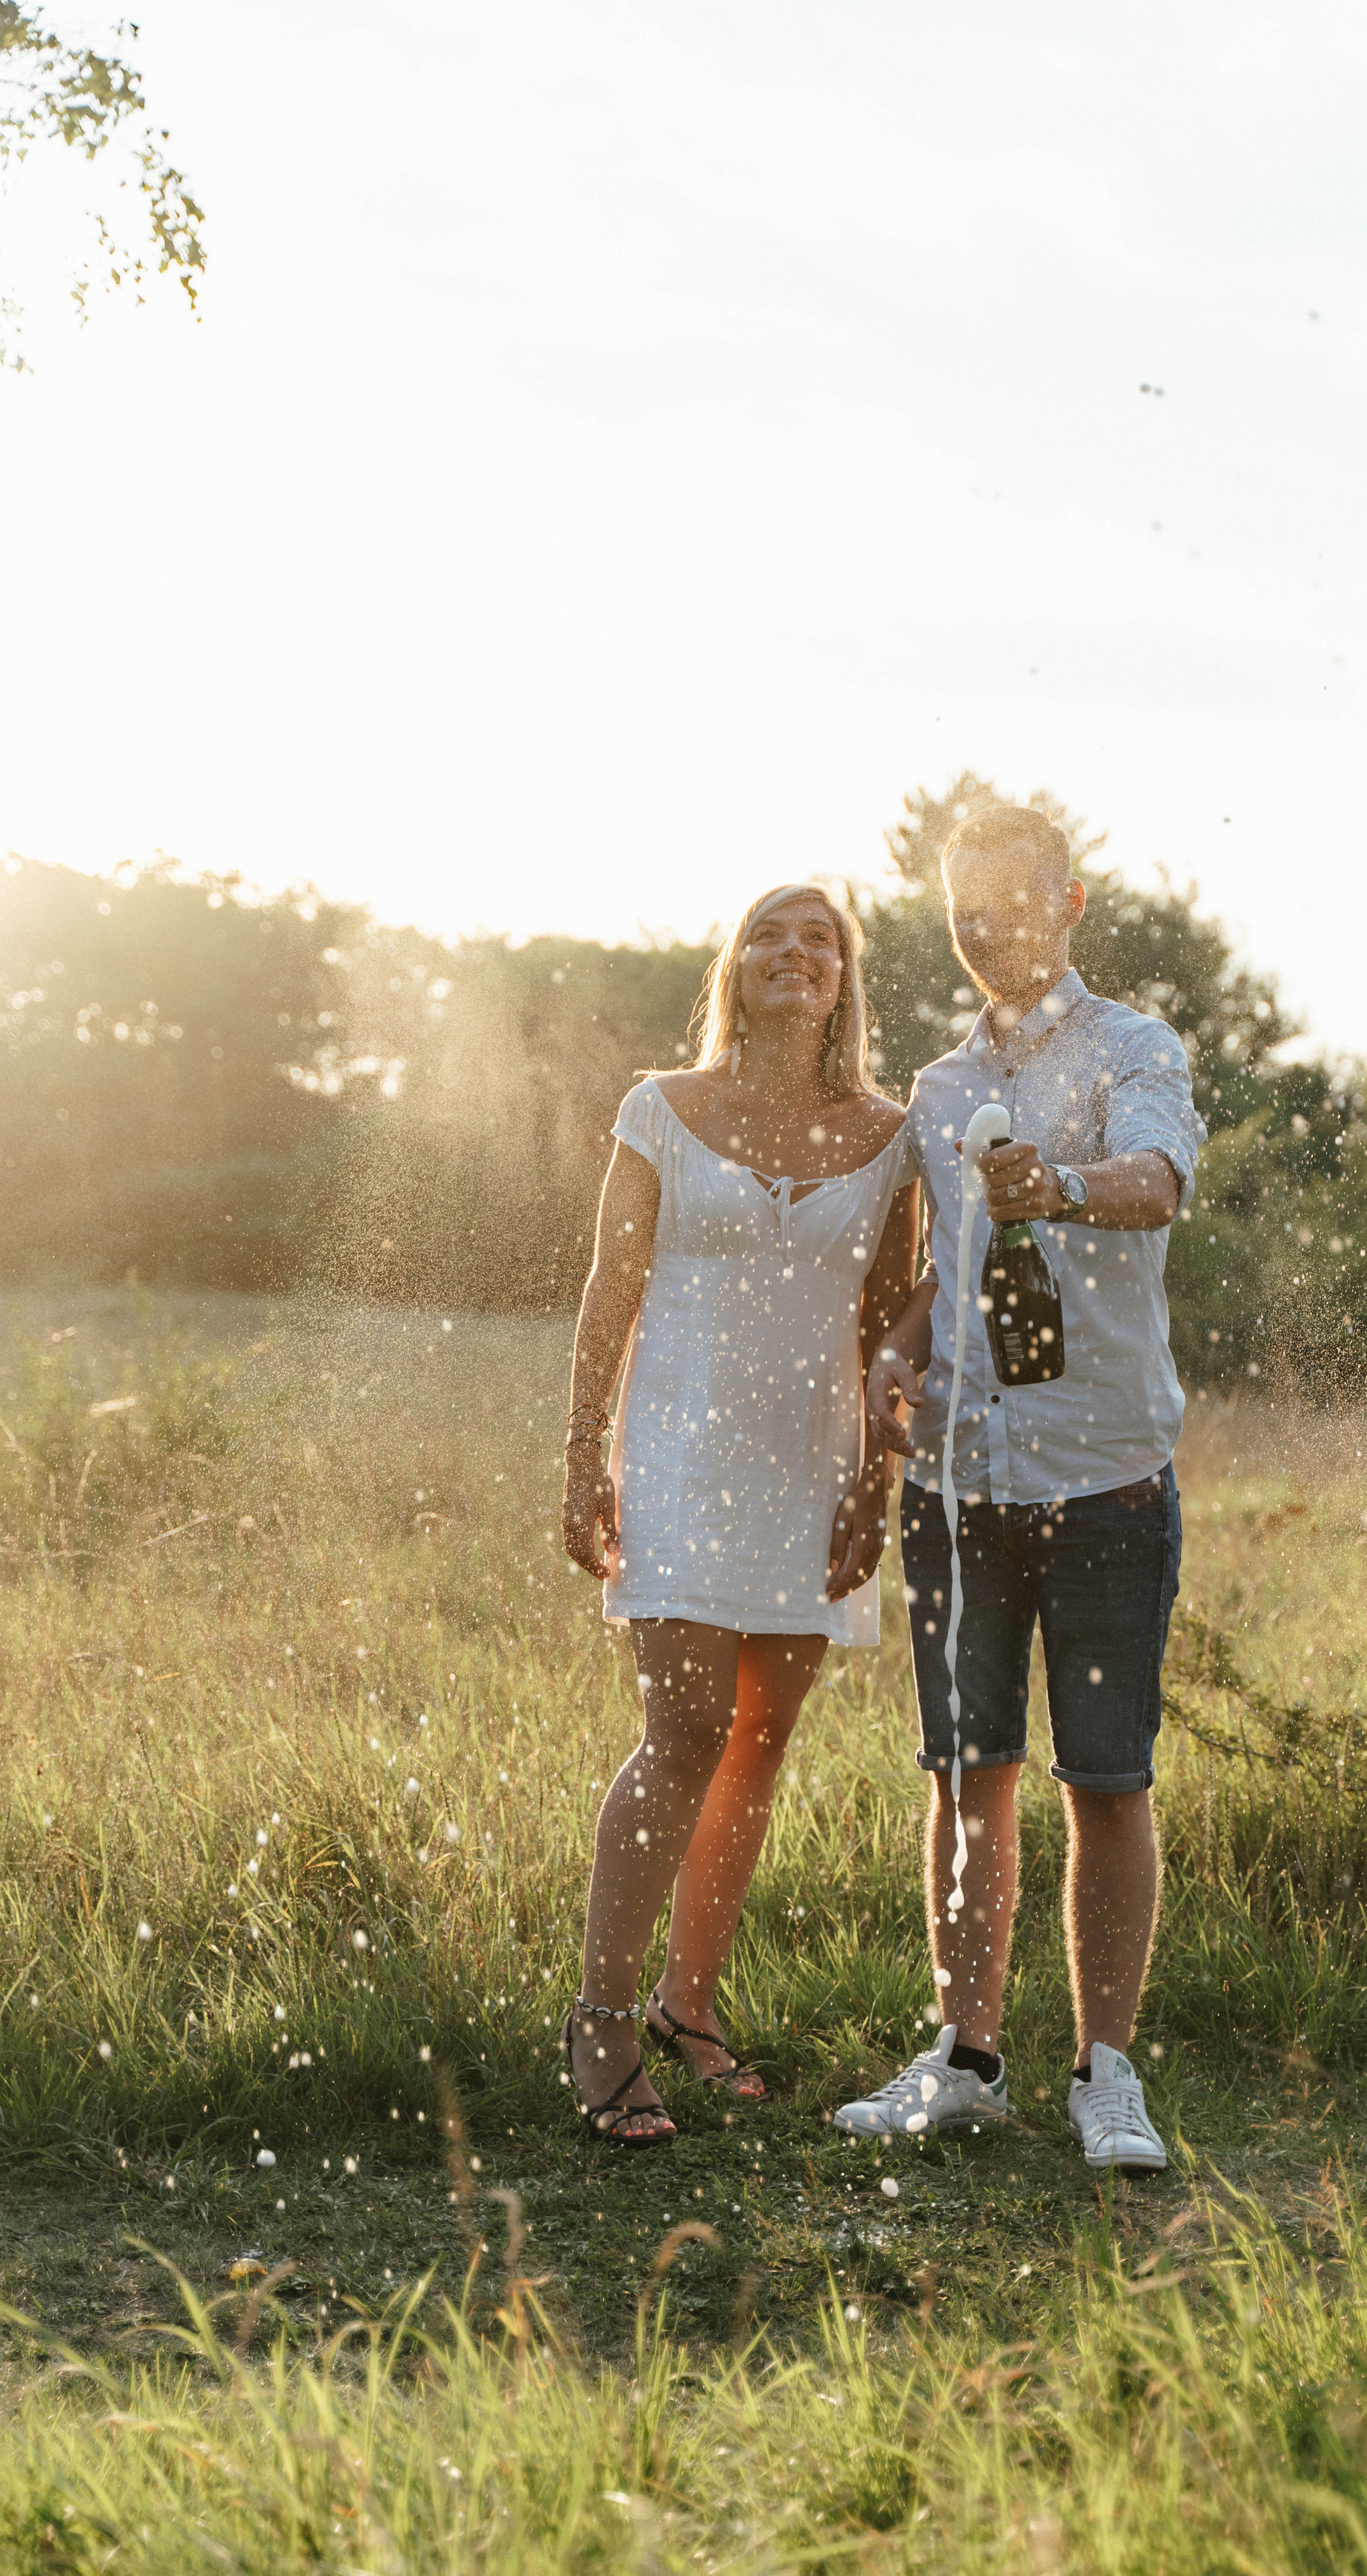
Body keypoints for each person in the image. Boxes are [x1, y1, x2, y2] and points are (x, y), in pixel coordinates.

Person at [835, 804, 1205, 2174]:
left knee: (1101, 1779)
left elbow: (1155, 1185)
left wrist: (1055, 1182)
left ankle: (1105, 2073)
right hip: (957, 1484)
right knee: (962, 1774)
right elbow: (950, 1267)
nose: (983, 925)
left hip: (1104, 1476)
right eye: (960, 905)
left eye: (1009, 899)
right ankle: (965, 2057)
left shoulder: (1134, 1049)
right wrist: (899, 1341)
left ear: (1069, 903)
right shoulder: (935, 1088)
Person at [560, 883, 917, 2147]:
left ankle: (688, 2008)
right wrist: (579, 1456)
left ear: (844, 982)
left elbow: (888, 1329)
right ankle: (600, 2024)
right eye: (771, 933)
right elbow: (611, 1286)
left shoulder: (893, 1136)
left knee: (760, 1739)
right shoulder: (663, 1109)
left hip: (810, 1466)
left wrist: (872, 1489)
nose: (795, 952)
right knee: (686, 1726)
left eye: (821, 940)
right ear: (736, 965)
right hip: (674, 1453)